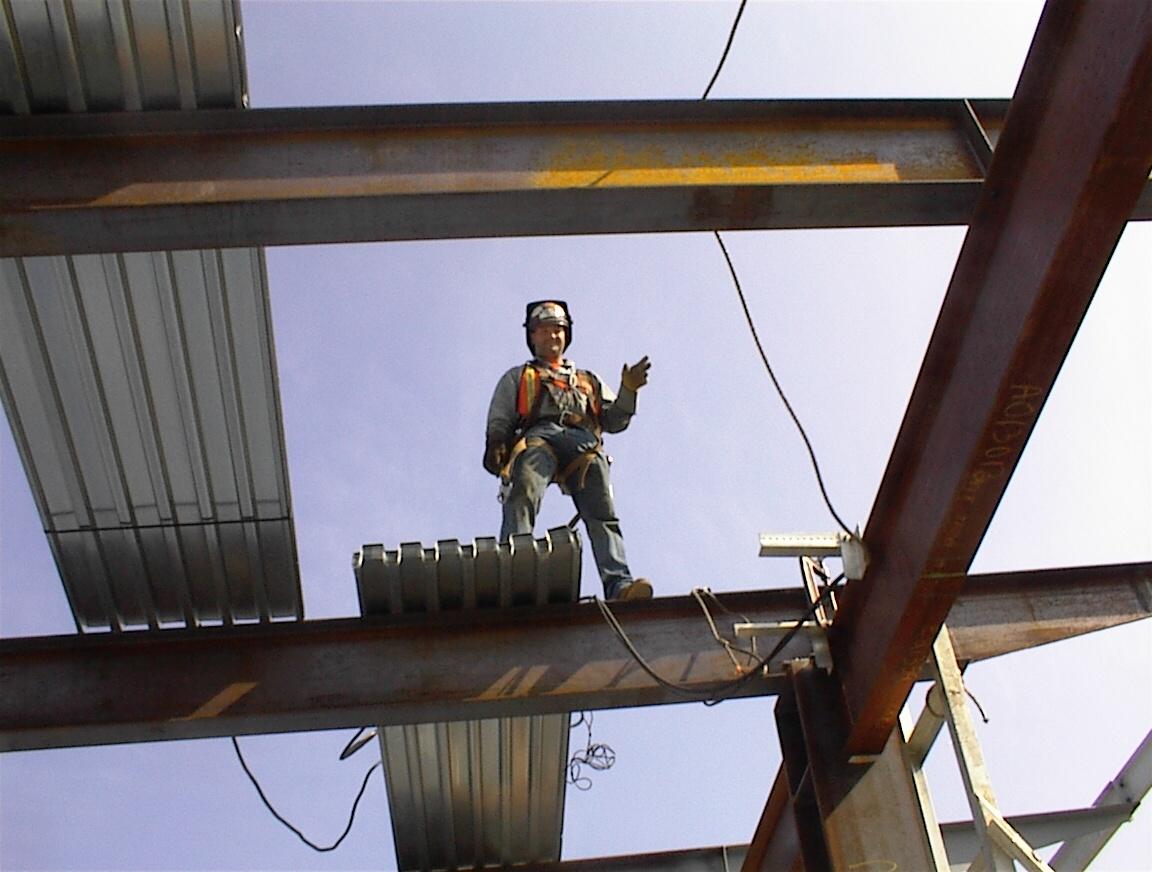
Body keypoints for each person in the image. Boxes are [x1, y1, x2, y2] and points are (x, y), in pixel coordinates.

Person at [484, 300, 653, 601]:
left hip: (583, 443)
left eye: (558, 330)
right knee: (523, 488)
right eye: (545, 331)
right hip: (540, 436)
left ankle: (620, 585)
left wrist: (628, 392)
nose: (553, 336)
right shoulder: (520, 376)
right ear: (533, 336)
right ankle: (515, 573)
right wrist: (497, 442)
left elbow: (614, 421)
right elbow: (502, 414)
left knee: (602, 511)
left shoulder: (587, 380)